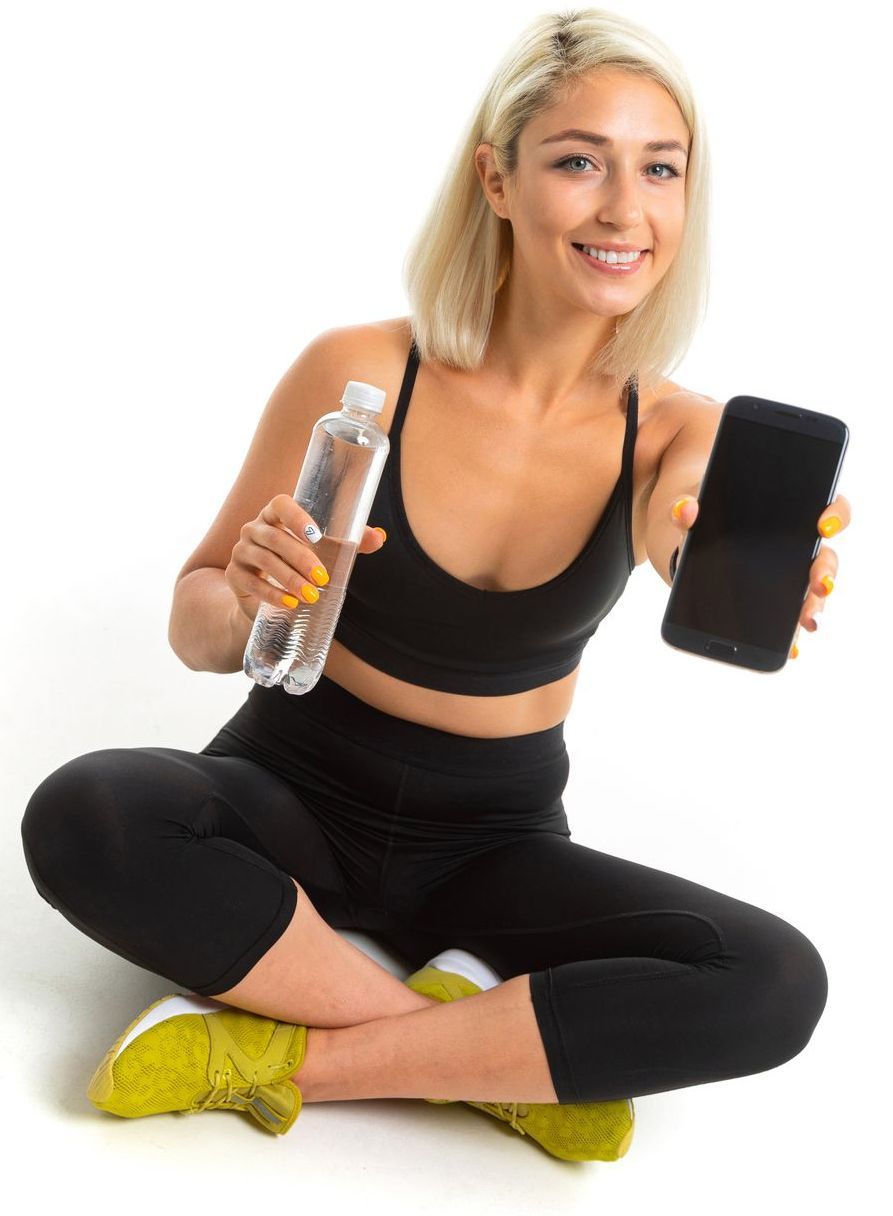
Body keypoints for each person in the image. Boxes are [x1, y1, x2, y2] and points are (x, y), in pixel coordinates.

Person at [20, 7, 846, 1162]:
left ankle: (279, 1054)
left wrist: (715, 554)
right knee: (88, 812)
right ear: (495, 180)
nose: (623, 208)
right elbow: (195, 625)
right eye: (577, 161)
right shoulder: (358, 370)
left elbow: (683, 520)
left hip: (495, 843)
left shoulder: (670, 431)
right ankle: (476, 1058)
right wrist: (252, 594)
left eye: (659, 168)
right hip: (291, 791)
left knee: (773, 982)